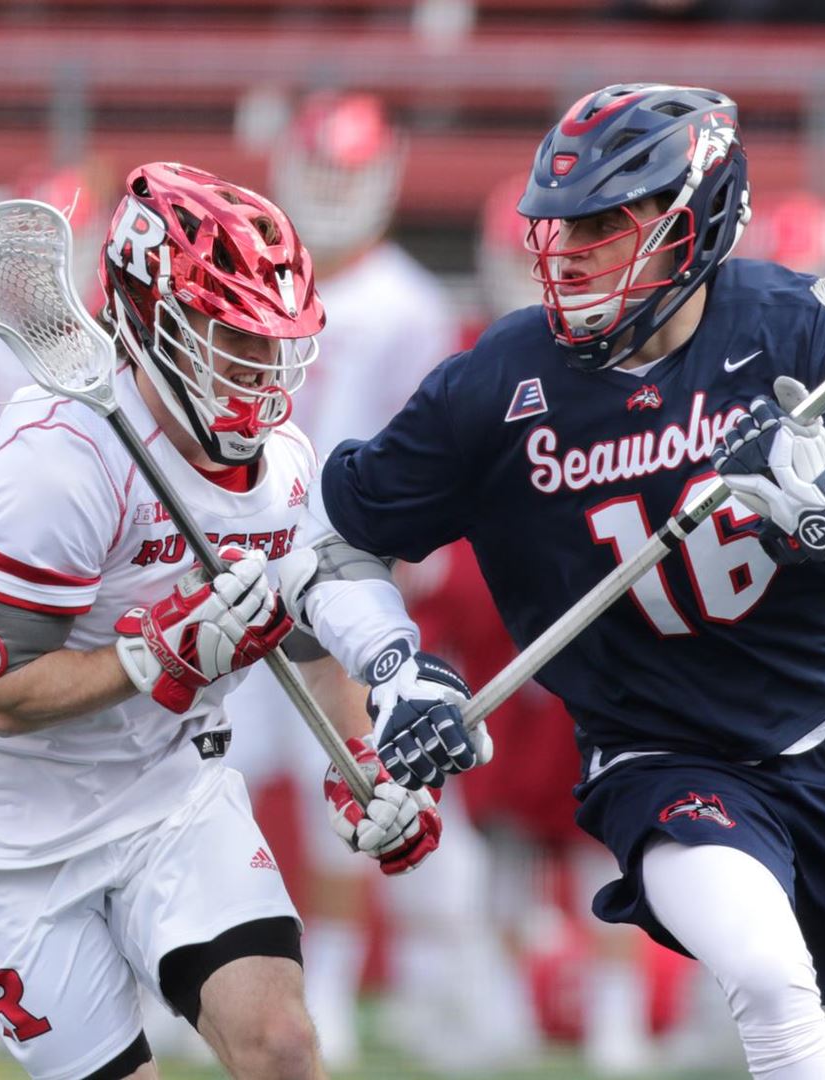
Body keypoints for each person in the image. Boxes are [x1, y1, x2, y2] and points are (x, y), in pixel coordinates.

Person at [306, 82, 825, 1080]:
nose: (573, 250)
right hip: (659, 754)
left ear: (699, 220)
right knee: (767, 983)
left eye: (606, 223)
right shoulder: (501, 383)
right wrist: (396, 673)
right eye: (562, 225)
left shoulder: (799, 335)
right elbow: (335, 547)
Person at [0, 162, 448, 1079]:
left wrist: (359, 764)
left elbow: (306, 627)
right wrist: (154, 655)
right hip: (3, 825)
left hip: (168, 787)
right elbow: (1, 696)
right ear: (156, 322)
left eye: (274, 344)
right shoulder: (58, 460)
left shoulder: (284, 464)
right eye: (234, 342)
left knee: (282, 1048)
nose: (264, 374)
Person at [223, 90, 529, 1072]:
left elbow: (423, 446)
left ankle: (346, 987)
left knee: (350, 779)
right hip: (242, 558)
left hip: (350, 569)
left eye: (345, 174)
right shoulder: (254, 281)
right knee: (214, 774)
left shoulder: (408, 301)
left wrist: (409, 555)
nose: (328, 194)